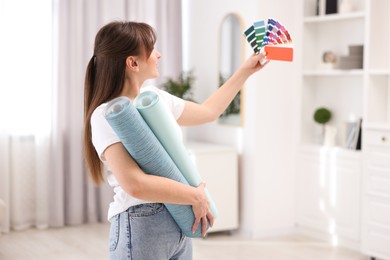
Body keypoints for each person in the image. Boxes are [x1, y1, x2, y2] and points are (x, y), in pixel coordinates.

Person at [83, 21, 268, 260]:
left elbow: (208, 111)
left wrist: (246, 70)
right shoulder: (107, 115)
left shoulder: (155, 99)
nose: (158, 55)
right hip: (140, 222)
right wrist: (194, 195)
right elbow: (134, 184)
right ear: (133, 63)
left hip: (177, 220)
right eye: (151, 49)